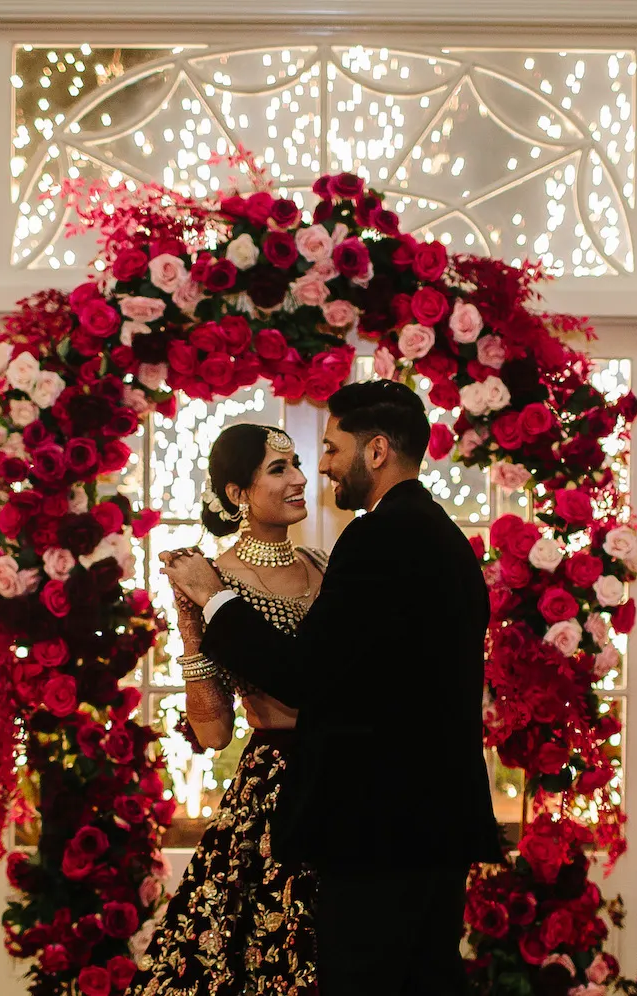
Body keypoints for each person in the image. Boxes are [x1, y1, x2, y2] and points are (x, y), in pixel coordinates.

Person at [161, 380, 501, 996]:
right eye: (284, 465)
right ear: (238, 493)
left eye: (327, 448)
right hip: (422, 819)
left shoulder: (370, 543)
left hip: (376, 826)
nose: (315, 470)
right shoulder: (446, 540)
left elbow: (306, 674)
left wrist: (214, 599)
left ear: (375, 452)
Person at [134, 423, 325, 996]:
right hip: (277, 789)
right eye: (278, 469)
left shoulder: (323, 564)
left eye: (296, 465)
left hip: (344, 775)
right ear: (239, 493)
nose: (299, 479)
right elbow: (214, 733)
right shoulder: (212, 578)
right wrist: (192, 627)